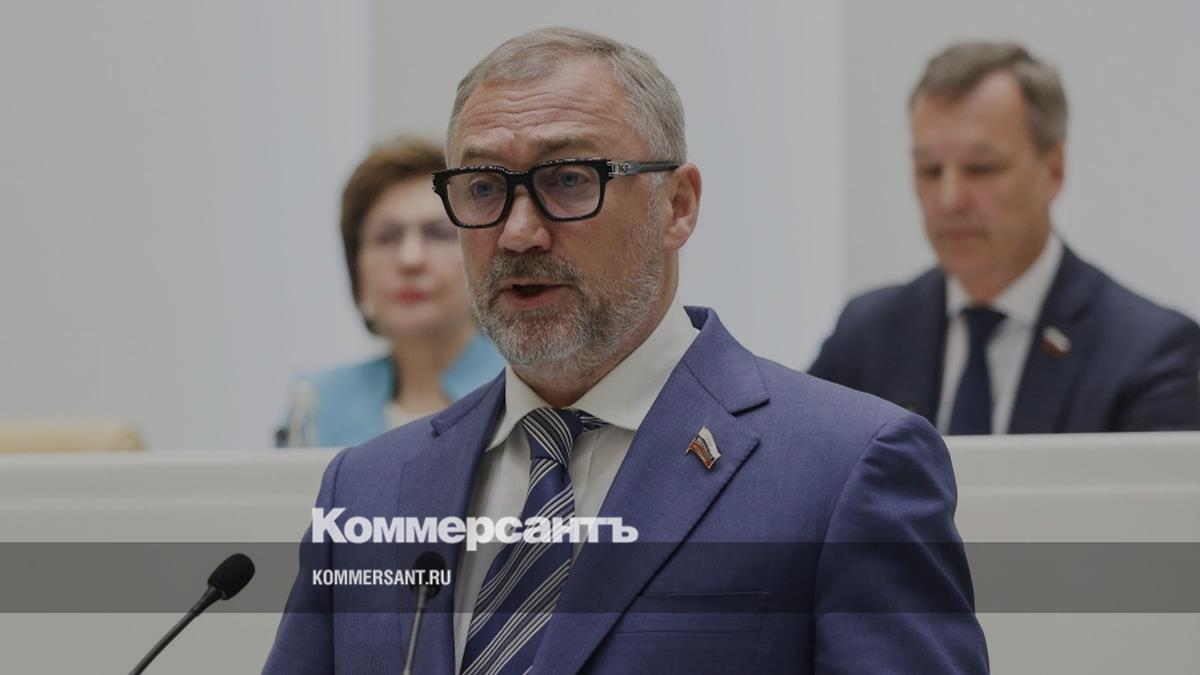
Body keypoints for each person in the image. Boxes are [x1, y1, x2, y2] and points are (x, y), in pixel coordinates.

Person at [265, 28, 987, 673]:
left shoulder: (844, 467)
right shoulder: (367, 488)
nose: (518, 232)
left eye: (568, 179)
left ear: (678, 205)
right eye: (483, 188)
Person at [811, 41, 1200, 434]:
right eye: (930, 170)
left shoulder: (1150, 352)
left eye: (981, 168)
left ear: (1053, 171)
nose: (950, 199)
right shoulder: (866, 336)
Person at [276, 137, 504, 448]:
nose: (410, 259)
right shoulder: (316, 405)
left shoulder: (526, 388)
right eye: (387, 237)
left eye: (438, 234)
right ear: (356, 269)